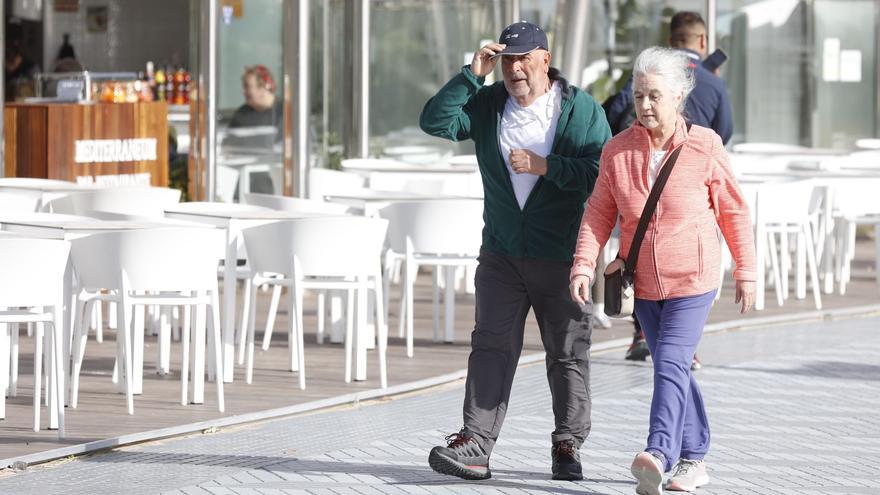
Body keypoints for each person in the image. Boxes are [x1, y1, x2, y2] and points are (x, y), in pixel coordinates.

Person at [419, 21, 610, 482]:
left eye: (524, 59)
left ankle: (568, 444)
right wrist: (471, 75)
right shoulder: (488, 104)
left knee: (566, 353)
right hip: (502, 254)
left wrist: (548, 166)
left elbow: (602, 176)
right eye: (508, 60)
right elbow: (435, 121)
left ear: (546, 59)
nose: (515, 69)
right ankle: (475, 444)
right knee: (490, 347)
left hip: (562, 255)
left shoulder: (581, 110)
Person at [570, 46, 755, 494]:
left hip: (693, 279)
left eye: (654, 96)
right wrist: (582, 264)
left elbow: (733, 211)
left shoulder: (704, 146)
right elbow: (598, 212)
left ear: (678, 96)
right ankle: (695, 459)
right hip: (643, 284)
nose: (645, 105)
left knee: (670, 362)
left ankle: (657, 452)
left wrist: (746, 271)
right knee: (674, 369)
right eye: (638, 96)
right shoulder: (617, 150)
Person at [607, 11, 735, 366]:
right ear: (703, 42)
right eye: (641, 97)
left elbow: (612, 112)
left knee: (638, 245)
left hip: (640, 179)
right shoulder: (713, 82)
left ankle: (645, 336)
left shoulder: (644, 78)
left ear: (671, 39)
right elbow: (725, 132)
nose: (646, 103)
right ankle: (682, 346)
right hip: (690, 193)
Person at [225, 65, 282, 195]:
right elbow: (227, 146)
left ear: (265, 86)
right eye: (244, 87)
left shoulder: (284, 113)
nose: (244, 92)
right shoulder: (241, 114)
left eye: (248, 86)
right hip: (243, 185)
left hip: (275, 187)